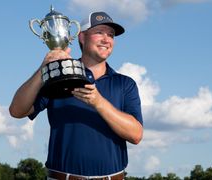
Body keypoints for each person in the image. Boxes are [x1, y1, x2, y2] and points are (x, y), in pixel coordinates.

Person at [9, 11, 143, 180]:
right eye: (99, 32)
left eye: (111, 35)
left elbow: (136, 135)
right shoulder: (58, 75)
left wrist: (99, 102)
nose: (106, 39)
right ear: (81, 37)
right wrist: (44, 69)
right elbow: (16, 111)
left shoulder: (125, 84)